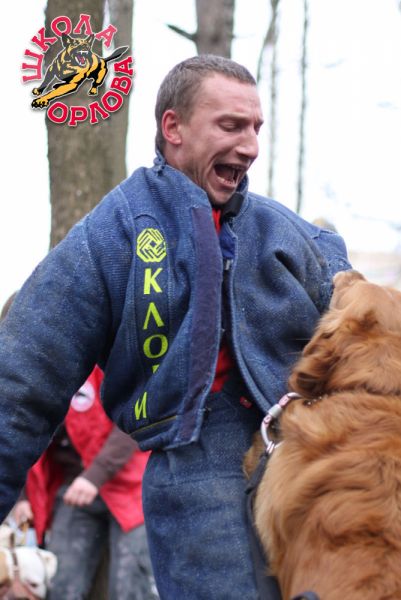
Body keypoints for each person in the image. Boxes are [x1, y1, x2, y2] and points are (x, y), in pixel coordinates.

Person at [0, 55, 351, 599]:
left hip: (316, 470)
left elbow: (367, 344)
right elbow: (21, 383)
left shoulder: (289, 235)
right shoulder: (110, 238)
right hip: (196, 476)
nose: (250, 146)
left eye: (256, 129)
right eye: (231, 126)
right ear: (174, 128)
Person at [12, 366, 156, 600]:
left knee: (130, 586)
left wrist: (95, 476)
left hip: (130, 486)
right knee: (61, 580)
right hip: (71, 488)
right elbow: (25, 438)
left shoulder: (109, 365)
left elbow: (134, 417)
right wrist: (23, 497)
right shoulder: (38, 375)